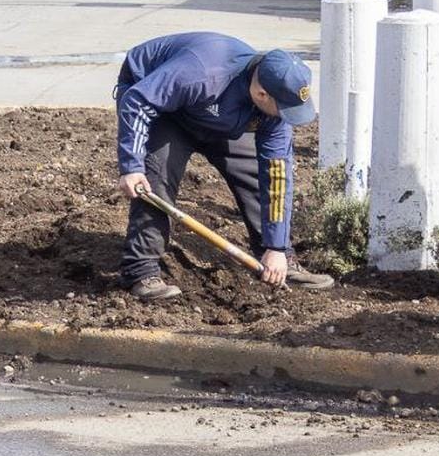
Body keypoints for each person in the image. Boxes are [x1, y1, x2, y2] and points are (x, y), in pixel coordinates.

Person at [115, 32, 334, 301]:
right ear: (261, 93)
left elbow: (277, 173)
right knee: (155, 177)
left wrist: (277, 247)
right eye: (283, 109)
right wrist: (131, 166)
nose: (284, 117)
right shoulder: (202, 73)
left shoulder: (273, 108)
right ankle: (141, 271)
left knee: (255, 176)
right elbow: (137, 101)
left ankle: (277, 260)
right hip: (162, 108)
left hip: (220, 113)